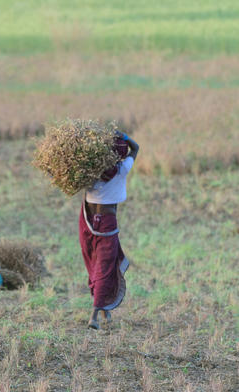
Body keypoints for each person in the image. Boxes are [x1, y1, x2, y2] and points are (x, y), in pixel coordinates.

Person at [79, 131, 139, 330]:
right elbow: (136, 148)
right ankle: (94, 316)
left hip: (87, 223)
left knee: (94, 264)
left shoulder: (90, 170)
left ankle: (105, 312)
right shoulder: (121, 169)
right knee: (105, 268)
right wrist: (126, 136)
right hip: (107, 224)